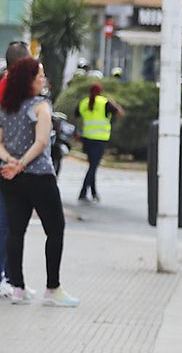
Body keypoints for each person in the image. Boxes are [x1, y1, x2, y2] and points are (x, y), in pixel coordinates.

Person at [0, 57, 74, 306]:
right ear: (28, 80)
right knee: (55, 229)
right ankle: (52, 288)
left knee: (16, 231)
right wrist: (21, 164)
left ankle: (18, 288)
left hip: (11, 178)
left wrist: (11, 162)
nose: (43, 79)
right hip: (40, 176)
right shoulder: (41, 106)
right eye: (39, 75)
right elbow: (42, 142)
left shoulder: (7, 106)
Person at [73, 82, 122, 203]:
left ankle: (94, 193)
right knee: (93, 167)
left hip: (87, 139)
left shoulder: (84, 102)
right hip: (100, 139)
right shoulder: (104, 102)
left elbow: (76, 114)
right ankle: (83, 192)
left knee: (92, 166)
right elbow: (120, 112)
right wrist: (113, 101)